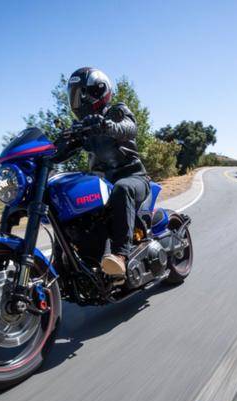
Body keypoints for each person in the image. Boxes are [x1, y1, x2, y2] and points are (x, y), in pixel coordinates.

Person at [64, 67, 150, 277]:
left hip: (133, 178)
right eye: (74, 96)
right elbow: (63, 150)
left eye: (80, 94)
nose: (77, 102)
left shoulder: (116, 112)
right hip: (103, 185)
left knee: (122, 188)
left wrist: (107, 125)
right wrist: (50, 150)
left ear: (98, 90)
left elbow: (129, 127)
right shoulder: (83, 126)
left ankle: (121, 256)